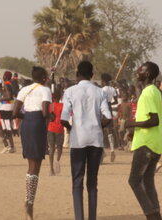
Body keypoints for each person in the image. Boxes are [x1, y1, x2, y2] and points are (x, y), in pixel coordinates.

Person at [61, 61, 112, 220]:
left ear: (77, 74)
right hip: (95, 140)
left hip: (78, 141)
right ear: (92, 75)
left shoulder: (69, 91)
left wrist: (72, 129)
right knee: (92, 183)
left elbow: (63, 118)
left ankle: (79, 217)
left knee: (77, 181)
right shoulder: (99, 92)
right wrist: (98, 126)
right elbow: (108, 117)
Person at [125, 61, 162, 220]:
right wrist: (135, 132)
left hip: (146, 145)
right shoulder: (156, 91)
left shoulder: (148, 92)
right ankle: (156, 215)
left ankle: (151, 216)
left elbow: (154, 120)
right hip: (154, 143)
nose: (137, 71)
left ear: (147, 74)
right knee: (148, 181)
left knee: (134, 181)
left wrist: (132, 124)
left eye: (140, 69)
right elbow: (160, 117)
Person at [12, 66, 52, 220]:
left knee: (32, 164)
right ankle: (29, 202)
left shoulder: (24, 89)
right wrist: (52, 115)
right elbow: (45, 113)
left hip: (27, 123)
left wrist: (28, 117)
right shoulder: (45, 90)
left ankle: (29, 200)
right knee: (35, 166)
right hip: (38, 124)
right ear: (43, 78)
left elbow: (15, 113)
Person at [101, 73, 118, 162]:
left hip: (103, 109)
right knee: (109, 131)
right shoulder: (113, 89)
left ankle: (102, 152)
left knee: (100, 130)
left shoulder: (102, 89)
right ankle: (112, 150)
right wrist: (110, 103)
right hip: (110, 108)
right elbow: (115, 100)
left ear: (103, 81)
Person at [0, 71, 17, 153]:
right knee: (5, 127)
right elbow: (7, 94)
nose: (3, 77)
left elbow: (9, 96)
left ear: (5, 76)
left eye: (4, 76)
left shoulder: (7, 84)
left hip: (6, 107)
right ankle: (10, 146)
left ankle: (11, 146)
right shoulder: (9, 84)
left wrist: (0, 99)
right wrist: (1, 90)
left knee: (6, 128)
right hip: (7, 107)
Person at [47, 90, 64, 176]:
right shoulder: (62, 106)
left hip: (51, 127)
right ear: (60, 97)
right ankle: (57, 161)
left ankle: (51, 169)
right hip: (59, 128)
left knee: (51, 148)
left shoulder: (51, 106)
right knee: (59, 148)